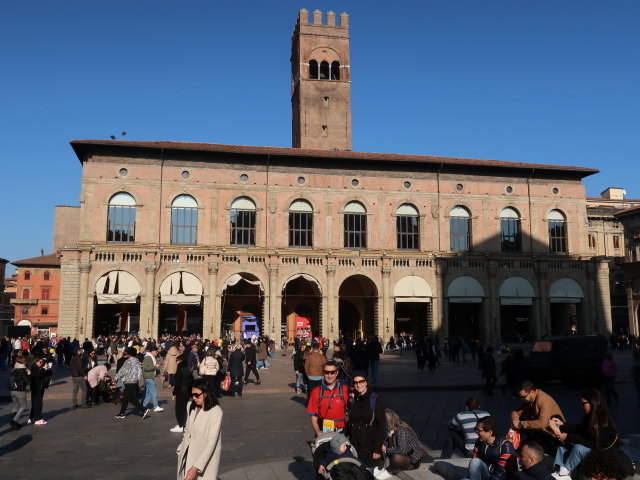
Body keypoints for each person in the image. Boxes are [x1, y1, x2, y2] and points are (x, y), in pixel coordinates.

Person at [547, 389, 620, 480]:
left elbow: (590, 442)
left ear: (592, 403)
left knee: (578, 448)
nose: (582, 406)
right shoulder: (590, 416)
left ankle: (565, 472)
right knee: (564, 445)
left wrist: (568, 437)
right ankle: (562, 471)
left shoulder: (602, 420)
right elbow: (579, 429)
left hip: (602, 453)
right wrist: (562, 424)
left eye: (583, 403)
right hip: (591, 447)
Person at [176, 378, 222, 480]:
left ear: (206, 393)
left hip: (204, 462)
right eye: (192, 394)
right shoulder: (190, 406)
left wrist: (196, 467)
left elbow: (212, 443)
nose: (193, 398)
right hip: (187, 456)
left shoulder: (216, 412)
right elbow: (187, 431)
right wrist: (181, 448)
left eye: (196, 395)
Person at [511, 381, 565, 455]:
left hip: (552, 435)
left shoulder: (544, 400)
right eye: (520, 397)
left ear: (532, 392)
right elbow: (515, 412)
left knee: (526, 429)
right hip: (539, 432)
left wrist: (520, 424)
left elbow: (542, 423)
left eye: (523, 397)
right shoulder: (528, 400)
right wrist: (516, 424)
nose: (521, 399)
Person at [346, 371, 386, 470]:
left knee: (368, 474)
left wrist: (377, 448)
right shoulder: (354, 398)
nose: (358, 384)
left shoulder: (375, 398)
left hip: (370, 446)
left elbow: (381, 425)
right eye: (355, 382)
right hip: (355, 445)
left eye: (361, 381)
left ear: (366, 382)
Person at [307, 360, 350, 437]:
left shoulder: (345, 390)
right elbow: (313, 417)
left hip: (341, 432)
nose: (329, 376)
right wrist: (319, 434)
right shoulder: (316, 392)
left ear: (337, 373)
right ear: (323, 373)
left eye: (332, 372)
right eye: (326, 372)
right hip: (323, 432)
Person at [383, 408, 425, 474]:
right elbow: (387, 441)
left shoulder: (401, 430)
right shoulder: (391, 430)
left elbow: (402, 450)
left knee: (396, 457)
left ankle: (387, 472)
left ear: (388, 421)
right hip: (404, 456)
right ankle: (376, 467)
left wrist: (386, 450)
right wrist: (384, 445)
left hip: (412, 460)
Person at [114, 347, 149, 419]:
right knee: (125, 397)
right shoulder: (136, 360)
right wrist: (138, 379)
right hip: (134, 381)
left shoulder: (128, 361)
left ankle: (143, 409)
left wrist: (116, 377)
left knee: (129, 398)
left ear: (129, 353)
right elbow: (139, 370)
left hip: (129, 381)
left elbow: (123, 371)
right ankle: (122, 412)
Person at [171, 352, 193, 433]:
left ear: (180, 361)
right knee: (185, 409)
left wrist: (174, 393)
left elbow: (177, 383)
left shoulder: (180, 369)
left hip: (181, 392)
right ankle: (184, 424)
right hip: (187, 391)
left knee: (179, 409)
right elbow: (191, 381)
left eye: (177, 361)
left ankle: (181, 425)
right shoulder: (188, 369)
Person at [29, 355, 53, 425]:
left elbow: (49, 374)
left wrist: (48, 369)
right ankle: (37, 418)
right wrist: (43, 369)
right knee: (38, 403)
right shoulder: (34, 367)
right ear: (36, 361)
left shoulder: (40, 367)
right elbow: (37, 375)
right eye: (40, 362)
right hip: (36, 387)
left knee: (36, 403)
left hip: (41, 387)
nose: (41, 363)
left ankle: (32, 417)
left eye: (42, 362)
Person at [8, 355, 30, 429]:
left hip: (12, 391)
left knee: (15, 407)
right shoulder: (23, 370)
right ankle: (14, 420)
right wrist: (29, 374)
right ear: (23, 362)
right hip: (20, 391)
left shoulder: (14, 369)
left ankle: (15, 423)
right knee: (23, 407)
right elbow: (26, 381)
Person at [142, 345, 163, 412]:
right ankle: (156, 406)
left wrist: (159, 375)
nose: (157, 353)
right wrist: (155, 366)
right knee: (154, 392)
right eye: (156, 352)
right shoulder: (148, 357)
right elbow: (145, 368)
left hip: (149, 377)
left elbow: (152, 368)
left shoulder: (152, 357)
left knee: (148, 394)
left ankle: (143, 407)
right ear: (153, 351)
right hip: (148, 377)